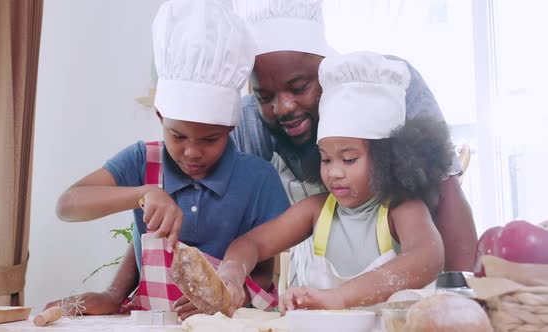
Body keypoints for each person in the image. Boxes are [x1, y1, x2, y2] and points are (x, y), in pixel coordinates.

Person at [45, 0, 289, 320]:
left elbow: (262, 267)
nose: (192, 152)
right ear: (160, 116)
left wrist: (230, 299)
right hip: (152, 323)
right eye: (177, 135)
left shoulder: (257, 178)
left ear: (231, 127)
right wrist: (141, 194)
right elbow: (68, 204)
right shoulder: (141, 162)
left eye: (210, 140)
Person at [230, 0, 477, 275]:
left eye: (299, 87)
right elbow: (246, 234)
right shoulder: (249, 122)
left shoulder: (388, 87)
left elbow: (444, 204)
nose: (283, 107)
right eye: (265, 96)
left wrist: (463, 298)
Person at [218, 51, 453, 314]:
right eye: (326, 159)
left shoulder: (401, 209)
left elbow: (426, 258)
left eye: (349, 159)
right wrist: (231, 274)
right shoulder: (317, 211)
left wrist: (340, 297)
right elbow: (251, 244)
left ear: (389, 159)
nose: (334, 173)